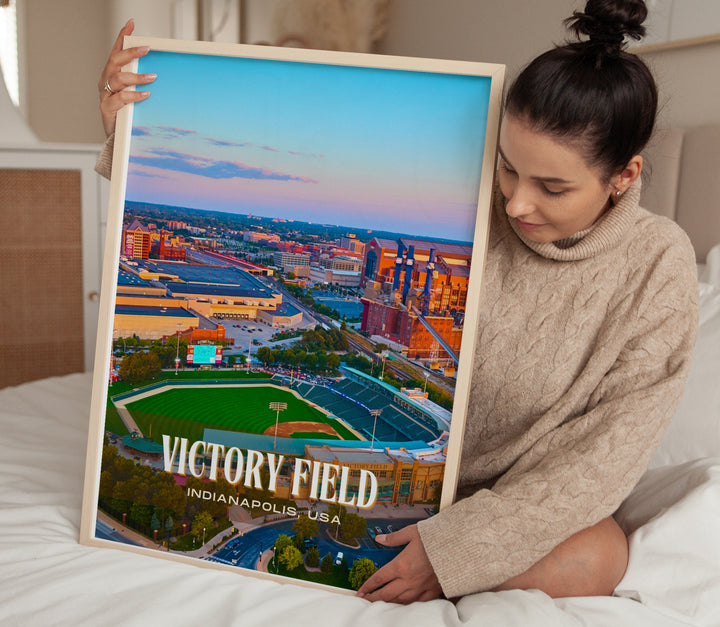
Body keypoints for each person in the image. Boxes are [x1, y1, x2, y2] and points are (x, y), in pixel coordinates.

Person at [96, 0, 698, 604]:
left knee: (600, 556)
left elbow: (603, 462)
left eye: (553, 187)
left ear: (624, 176)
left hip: (516, 506)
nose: (516, 204)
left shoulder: (657, 265)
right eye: (509, 170)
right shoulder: (472, 206)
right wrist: (128, 134)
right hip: (407, 479)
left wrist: (458, 550)